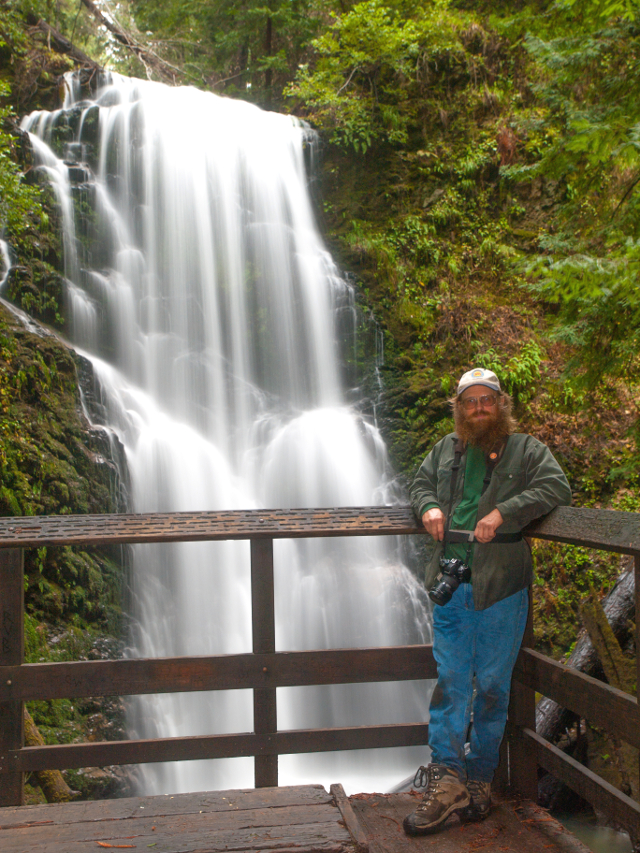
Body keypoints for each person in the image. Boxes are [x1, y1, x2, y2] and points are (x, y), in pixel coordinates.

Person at [403, 366, 572, 836]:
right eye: (470, 401)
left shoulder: (527, 450)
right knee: (452, 682)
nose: (479, 408)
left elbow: (557, 488)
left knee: (494, 686)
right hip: (452, 586)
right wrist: (428, 507)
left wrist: (505, 511)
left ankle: (479, 782)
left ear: (501, 404)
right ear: (459, 408)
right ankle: (445, 782)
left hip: (502, 586)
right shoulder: (445, 450)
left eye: (487, 400)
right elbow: (418, 485)